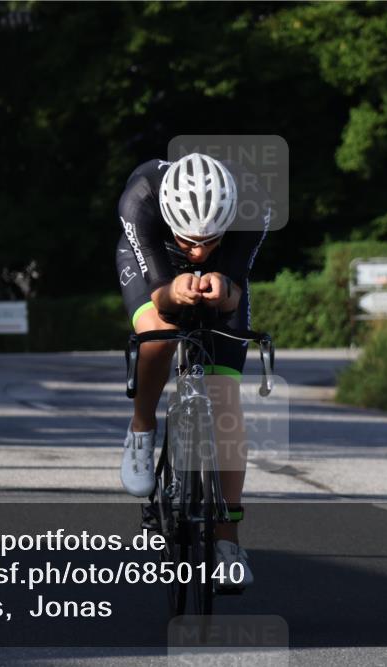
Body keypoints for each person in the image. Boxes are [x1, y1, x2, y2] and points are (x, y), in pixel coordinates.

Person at [115, 153, 268, 588]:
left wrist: (225, 287)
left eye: (209, 240)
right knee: (161, 333)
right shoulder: (140, 200)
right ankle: (141, 427)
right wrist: (173, 287)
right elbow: (161, 295)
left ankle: (228, 541)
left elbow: (234, 281)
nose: (199, 252)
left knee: (225, 395)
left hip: (222, 277)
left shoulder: (253, 206)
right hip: (153, 264)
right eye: (190, 242)